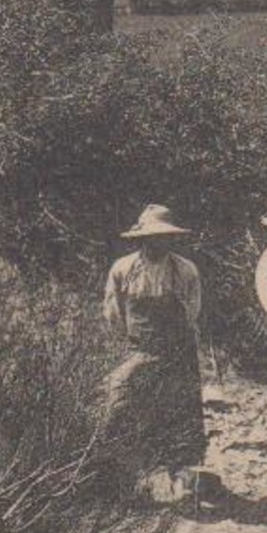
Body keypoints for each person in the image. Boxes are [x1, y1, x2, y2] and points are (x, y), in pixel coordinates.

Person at [99, 204, 209, 501]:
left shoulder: (185, 270)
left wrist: (171, 340)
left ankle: (184, 482)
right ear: (141, 239)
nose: (160, 242)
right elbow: (113, 312)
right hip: (137, 349)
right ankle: (125, 483)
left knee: (182, 415)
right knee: (121, 408)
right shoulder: (123, 269)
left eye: (165, 237)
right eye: (153, 237)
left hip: (177, 353)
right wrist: (133, 344)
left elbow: (193, 311)